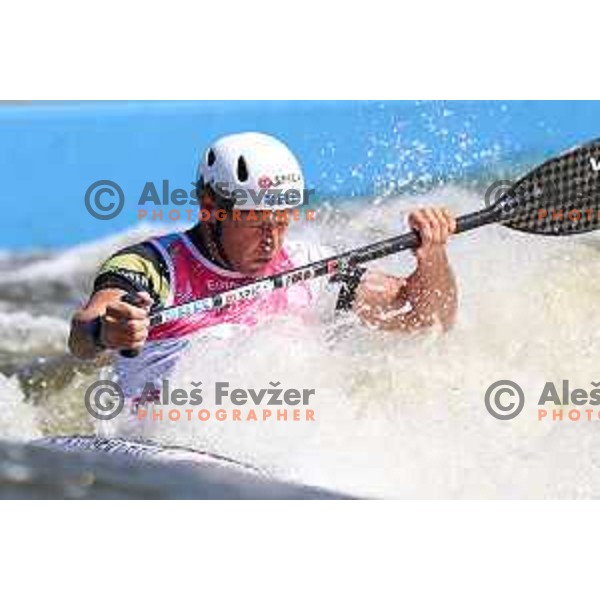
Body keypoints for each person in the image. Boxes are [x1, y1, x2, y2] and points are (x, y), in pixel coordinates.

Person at [69, 132, 457, 412]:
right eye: (256, 222)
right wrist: (108, 330)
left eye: (282, 221)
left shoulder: (311, 267)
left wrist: (433, 256)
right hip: (166, 442)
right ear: (209, 209)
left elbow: (426, 319)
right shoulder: (152, 265)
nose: (272, 240)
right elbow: (83, 334)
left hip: (282, 438)